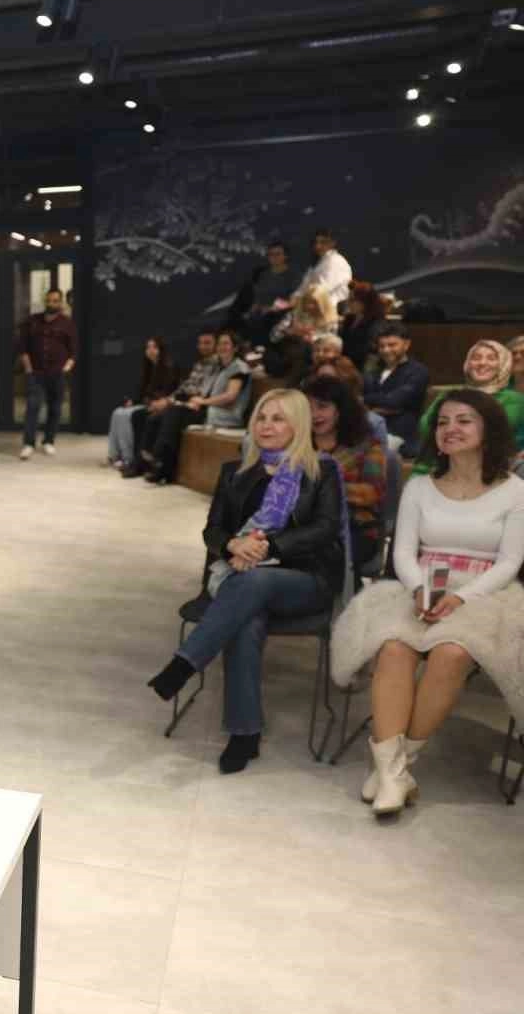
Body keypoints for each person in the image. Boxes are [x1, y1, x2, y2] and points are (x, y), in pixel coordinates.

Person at [331, 390, 524, 816]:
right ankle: (393, 772)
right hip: (421, 583)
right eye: (443, 422)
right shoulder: (419, 486)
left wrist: (461, 597)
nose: (450, 429)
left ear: (489, 430)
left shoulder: (515, 491)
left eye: (464, 420)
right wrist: (421, 589)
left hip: (485, 591)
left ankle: (394, 768)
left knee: (452, 652)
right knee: (393, 647)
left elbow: (510, 562)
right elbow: (403, 552)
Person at [146, 390, 346, 774]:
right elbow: (212, 530)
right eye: (261, 418)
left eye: (278, 418)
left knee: (255, 583)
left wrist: (269, 547)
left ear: (298, 424)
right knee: (245, 619)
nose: (266, 426)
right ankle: (244, 733)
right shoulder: (235, 472)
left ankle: (184, 665)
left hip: (306, 580)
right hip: (239, 577)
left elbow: (325, 529)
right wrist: (233, 544)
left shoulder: (322, 472)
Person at [304, 374, 388, 580]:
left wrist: (324, 487)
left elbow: (372, 493)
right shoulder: (297, 445)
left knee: (318, 556)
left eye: (322, 407)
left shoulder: (366, 446)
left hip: (354, 528)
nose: (314, 415)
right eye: (308, 408)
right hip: (305, 526)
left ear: (340, 409)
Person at [138, 332, 250, 485]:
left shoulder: (239, 368)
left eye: (226, 344)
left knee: (174, 414)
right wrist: (194, 402)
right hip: (208, 408)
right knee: (164, 415)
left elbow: (230, 396)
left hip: (224, 414)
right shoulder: (220, 367)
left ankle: (160, 461)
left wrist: (203, 402)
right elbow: (204, 391)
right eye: (219, 344)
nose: (221, 347)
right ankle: (153, 459)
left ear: (235, 347)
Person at [412, 339, 524, 473]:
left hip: (488, 468)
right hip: (435, 464)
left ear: (503, 364)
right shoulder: (450, 394)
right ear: (468, 363)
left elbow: (488, 433)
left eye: (491, 358)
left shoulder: (514, 400)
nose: (482, 363)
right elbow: (425, 427)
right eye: (476, 358)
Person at [125, 331, 219, 478]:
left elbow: (201, 393)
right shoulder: (199, 364)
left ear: (215, 345)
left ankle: (159, 465)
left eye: (207, 343)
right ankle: (140, 461)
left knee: (161, 417)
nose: (203, 346)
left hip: (198, 406)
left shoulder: (217, 366)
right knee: (139, 415)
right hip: (184, 401)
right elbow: (184, 387)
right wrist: (167, 400)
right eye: (201, 343)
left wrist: (169, 402)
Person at [18, 288, 76, 459]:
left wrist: (66, 368)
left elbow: (74, 351)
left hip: (57, 373)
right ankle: (28, 444)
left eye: (55, 301)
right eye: (49, 300)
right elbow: (23, 347)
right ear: (45, 301)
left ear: (60, 302)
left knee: (55, 408)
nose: (51, 304)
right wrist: (28, 369)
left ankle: (48, 441)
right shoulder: (33, 321)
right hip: (36, 373)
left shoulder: (67, 323)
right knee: (32, 407)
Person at [107, 336, 178, 470]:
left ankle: (128, 458)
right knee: (117, 412)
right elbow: (141, 392)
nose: (150, 350)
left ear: (161, 350)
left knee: (127, 415)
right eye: (148, 347)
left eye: (154, 347)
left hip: (156, 404)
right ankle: (114, 455)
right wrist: (133, 401)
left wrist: (150, 401)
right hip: (146, 402)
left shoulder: (169, 367)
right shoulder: (149, 367)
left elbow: (167, 392)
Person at [363, 325, 430, 459]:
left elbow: (394, 402)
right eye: (382, 346)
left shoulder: (417, 371)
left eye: (392, 345)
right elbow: (360, 399)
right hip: (370, 431)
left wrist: (370, 404)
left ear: (406, 344)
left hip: (401, 436)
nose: (386, 350)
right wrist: (378, 404)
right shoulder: (374, 371)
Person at [263, 285, 334, 386]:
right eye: (307, 301)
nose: (309, 306)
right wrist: (291, 332)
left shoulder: (330, 322)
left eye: (314, 303)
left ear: (322, 304)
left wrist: (311, 340)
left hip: (313, 360)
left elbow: (331, 346)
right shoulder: (293, 315)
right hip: (287, 357)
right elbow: (273, 337)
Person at [235, 241, 295, 348]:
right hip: (260, 316)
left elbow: (294, 301)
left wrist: (272, 308)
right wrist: (251, 311)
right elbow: (258, 298)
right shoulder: (264, 275)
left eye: (278, 254)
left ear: (285, 256)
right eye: (271, 254)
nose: (274, 257)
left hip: (281, 317)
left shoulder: (293, 275)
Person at [284, 228, 353, 310]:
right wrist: (295, 297)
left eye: (323, 242)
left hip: (332, 310)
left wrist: (299, 299)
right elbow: (304, 286)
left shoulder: (337, 261)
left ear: (333, 243)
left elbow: (323, 289)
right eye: (316, 242)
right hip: (313, 307)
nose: (318, 246)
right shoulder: (316, 264)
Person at [338, 281, 387, 369]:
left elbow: (371, 352)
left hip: (363, 367)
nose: (348, 303)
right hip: (344, 365)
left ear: (366, 302)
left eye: (352, 300)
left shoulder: (377, 323)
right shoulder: (349, 319)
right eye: (348, 299)